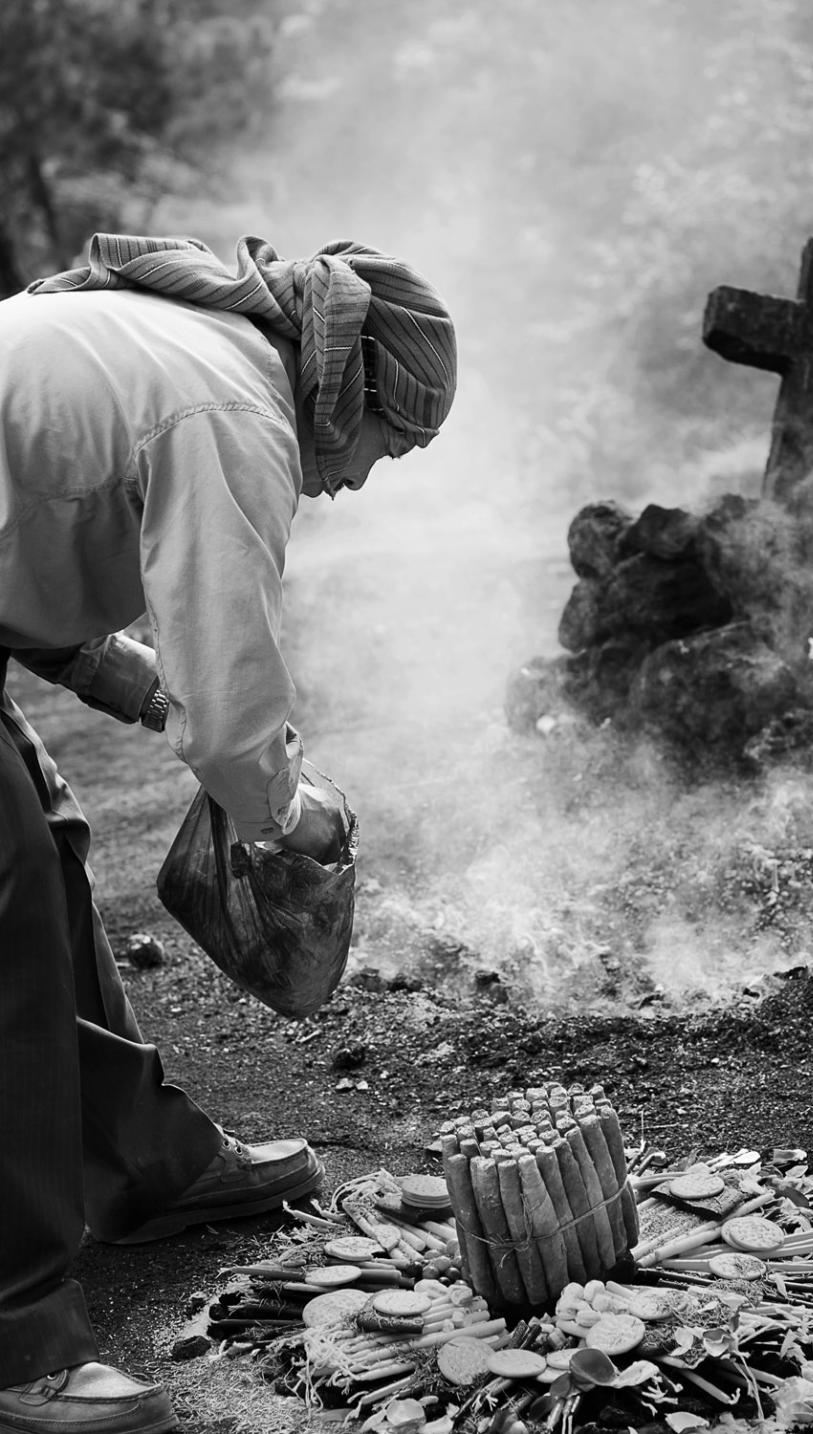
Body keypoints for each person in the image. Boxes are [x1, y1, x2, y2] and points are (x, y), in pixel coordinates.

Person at [0, 232, 457, 1433]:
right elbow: (235, 705)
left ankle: (146, 1168)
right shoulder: (233, 409)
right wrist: (292, 811)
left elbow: (29, 529)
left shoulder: (201, 356)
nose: (363, 478)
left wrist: (137, 685)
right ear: (350, 392)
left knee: (41, 852)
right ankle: (16, 1349)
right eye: (387, 447)